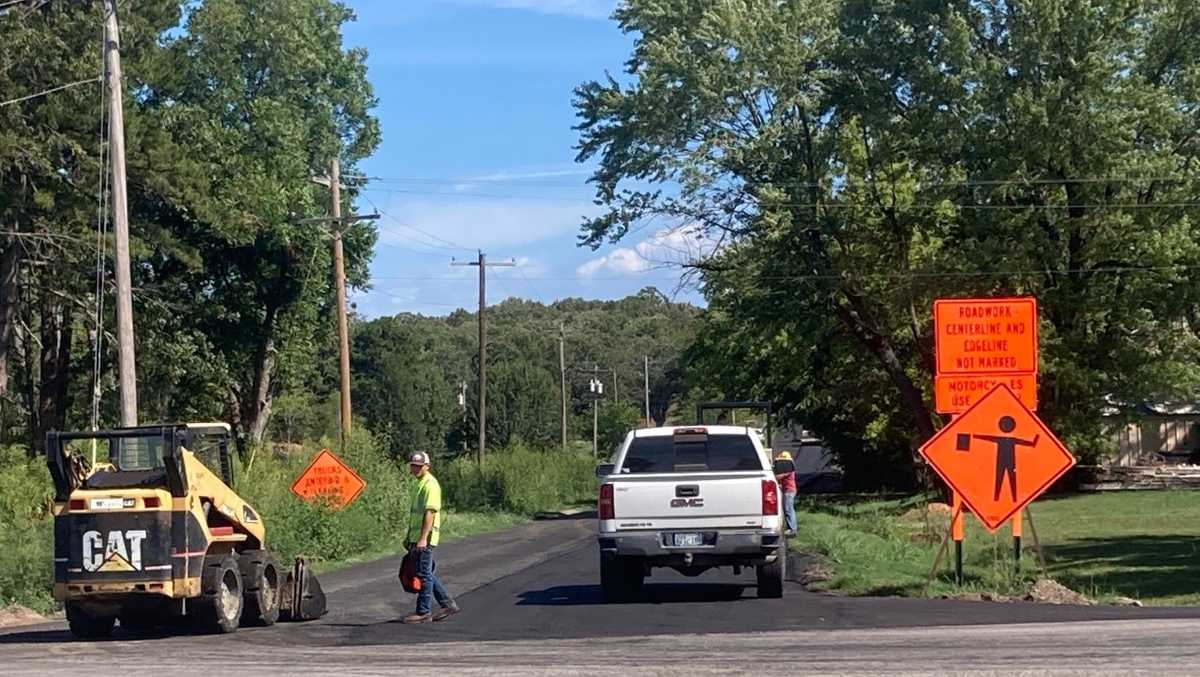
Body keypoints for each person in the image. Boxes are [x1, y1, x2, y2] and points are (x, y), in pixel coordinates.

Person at [402, 452, 460, 624]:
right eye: (413, 465)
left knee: (423, 574)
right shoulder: (419, 484)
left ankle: (423, 612)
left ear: (427, 466)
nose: (415, 469)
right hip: (417, 537)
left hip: (425, 538)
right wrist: (410, 537)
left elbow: (430, 513)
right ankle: (447, 604)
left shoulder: (430, 484)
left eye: (419, 466)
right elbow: (416, 515)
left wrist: (423, 538)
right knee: (424, 572)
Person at [774, 450, 797, 537]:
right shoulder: (788, 469)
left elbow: (779, 477)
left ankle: (792, 529)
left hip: (789, 491)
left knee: (788, 509)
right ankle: (791, 528)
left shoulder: (788, 470)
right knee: (788, 509)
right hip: (788, 490)